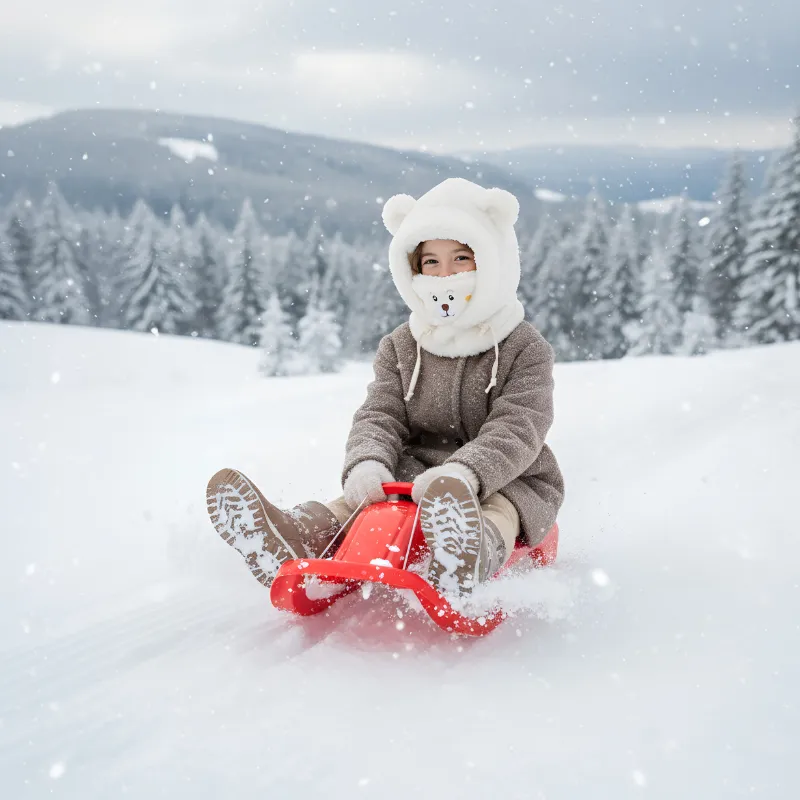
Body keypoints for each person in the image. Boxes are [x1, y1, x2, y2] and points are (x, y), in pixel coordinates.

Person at [206, 177, 564, 597]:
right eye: (431, 262)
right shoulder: (402, 346)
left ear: (491, 261)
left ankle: (470, 552)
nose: (445, 275)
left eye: (461, 258)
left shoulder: (524, 347)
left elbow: (519, 426)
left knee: (498, 509)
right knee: (359, 505)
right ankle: (296, 536)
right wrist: (367, 463)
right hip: (414, 471)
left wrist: (465, 473)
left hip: (505, 475)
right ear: (412, 270)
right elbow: (380, 413)